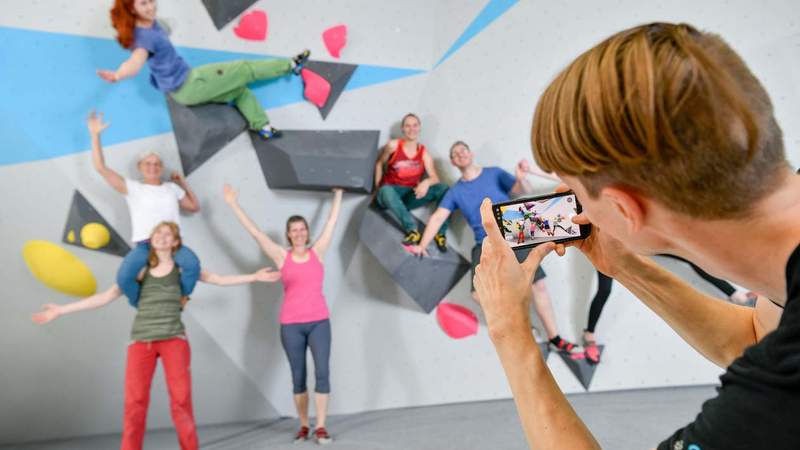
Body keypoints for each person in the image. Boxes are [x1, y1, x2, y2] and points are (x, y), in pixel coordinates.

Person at [474, 22, 798, 449]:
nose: (573, 205)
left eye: (576, 194)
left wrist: (509, 332)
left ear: (625, 210)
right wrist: (625, 266)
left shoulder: (768, 407)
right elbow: (757, 340)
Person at [32, 222, 279, 450]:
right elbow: (105, 297)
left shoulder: (183, 270)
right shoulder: (140, 272)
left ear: (174, 242)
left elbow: (219, 279)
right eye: (157, 233)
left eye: (167, 234)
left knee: (181, 402)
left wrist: (254, 277)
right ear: (151, 240)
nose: (161, 236)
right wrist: (61, 310)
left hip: (174, 340)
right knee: (134, 403)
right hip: (141, 342)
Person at [411, 141, 578, 354]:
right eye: (455, 153)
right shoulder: (455, 192)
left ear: (470, 153)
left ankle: (555, 339)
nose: (460, 154)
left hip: (514, 233)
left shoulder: (494, 173)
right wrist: (422, 245)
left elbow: (520, 191)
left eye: (463, 149)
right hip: (485, 243)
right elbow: (437, 218)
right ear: (453, 161)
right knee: (478, 294)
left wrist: (520, 178)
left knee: (539, 285)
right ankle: (522, 327)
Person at [223, 185, 343, 445]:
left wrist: (338, 195)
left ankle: (320, 426)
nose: (299, 233)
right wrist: (233, 203)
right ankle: (303, 425)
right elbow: (255, 233)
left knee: (322, 373)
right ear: (288, 235)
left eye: (303, 229)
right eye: (294, 230)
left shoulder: (317, 252)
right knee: (298, 376)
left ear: (307, 232)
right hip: (291, 325)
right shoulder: (280, 256)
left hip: (319, 322)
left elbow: (332, 221)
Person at [99, 0, 310, 140]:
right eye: (143, 3)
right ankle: (290, 65)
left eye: (151, 0)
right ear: (132, 8)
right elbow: (135, 62)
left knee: (239, 91)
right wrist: (118, 75)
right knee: (244, 69)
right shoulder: (143, 38)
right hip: (190, 85)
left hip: (187, 84)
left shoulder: (150, 24)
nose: (151, 6)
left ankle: (261, 126)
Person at [88, 111, 201, 307]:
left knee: (192, 266)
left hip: (173, 245)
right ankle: (141, 303)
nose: (153, 167)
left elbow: (194, 207)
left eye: (157, 164)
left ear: (161, 168)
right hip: (145, 246)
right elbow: (100, 168)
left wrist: (182, 183)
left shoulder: (171, 188)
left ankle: (181, 297)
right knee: (124, 278)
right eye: (148, 164)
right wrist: (95, 135)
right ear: (140, 167)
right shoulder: (133, 188)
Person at [373, 113, 450, 249]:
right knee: (385, 190)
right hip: (390, 192)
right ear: (402, 129)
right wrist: (377, 189)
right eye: (407, 126)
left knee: (444, 188)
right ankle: (412, 230)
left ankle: (440, 233)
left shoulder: (423, 152)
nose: (411, 129)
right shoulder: (393, 146)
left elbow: (435, 178)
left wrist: (425, 183)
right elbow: (379, 164)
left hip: (409, 195)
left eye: (415, 125)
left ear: (419, 128)